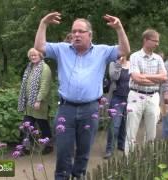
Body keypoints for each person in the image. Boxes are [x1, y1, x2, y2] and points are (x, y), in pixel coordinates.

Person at [34, 12, 130, 179]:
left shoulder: (102, 51)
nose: (76, 34)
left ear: (90, 35)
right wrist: (43, 23)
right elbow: (40, 47)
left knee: (84, 153)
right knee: (63, 152)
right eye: (74, 31)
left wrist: (119, 28)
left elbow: (125, 50)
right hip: (66, 109)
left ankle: (78, 176)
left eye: (80, 31)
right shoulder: (61, 50)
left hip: (90, 109)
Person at [125, 28, 167, 155]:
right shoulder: (135, 56)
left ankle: (147, 159)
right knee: (131, 132)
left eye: (158, 41)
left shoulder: (158, 59)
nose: (157, 44)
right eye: (155, 41)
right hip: (136, 95)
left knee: (151, 133)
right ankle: (128, 163)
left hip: (153, 96)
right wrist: (156, 78)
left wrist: (145, 76)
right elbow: (136, 78)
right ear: (146, 40)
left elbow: (164, 78)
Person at [18, 48, 53, 154]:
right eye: (31, 56)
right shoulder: (30, 67)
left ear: (40, 56)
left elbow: (44, 86)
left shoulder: (45, 68)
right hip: (29, 103)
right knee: (27, 124)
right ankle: (26, 147)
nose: (33, 57)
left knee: (43, 124)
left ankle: (48, 146)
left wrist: (38, 100)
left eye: (35, 55)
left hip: (40, 103)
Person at [103, 56, 130, 159]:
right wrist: (119, 64)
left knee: (125, 123)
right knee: (115, 125)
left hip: (129, 97)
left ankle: (121, 144)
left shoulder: (132, 64)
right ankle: (109, 149)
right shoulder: (113, 64)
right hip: (117, 98)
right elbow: (114, 77)